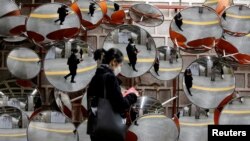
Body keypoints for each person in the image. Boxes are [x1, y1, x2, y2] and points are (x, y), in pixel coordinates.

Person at [87, 48, 138, 141]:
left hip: (95, 127)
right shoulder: (110, 78)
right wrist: (132, 95)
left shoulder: (96, 76)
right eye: (120, 65)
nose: (120, 68)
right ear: (114, 62)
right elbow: (121, 105)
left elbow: (95, 98)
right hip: (109, 130)